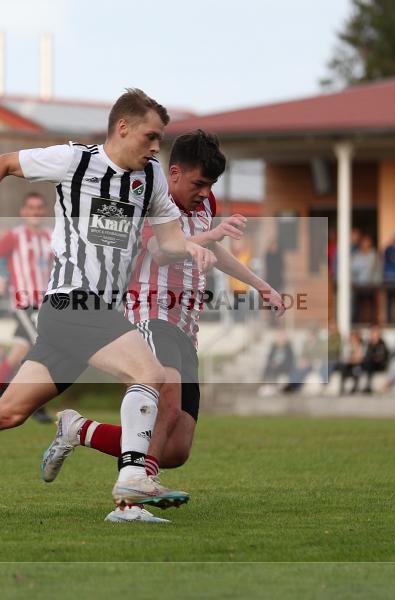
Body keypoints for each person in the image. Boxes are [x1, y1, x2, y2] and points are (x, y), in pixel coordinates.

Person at [0, 88, 216, 511]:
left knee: (8, 412)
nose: (157, 146)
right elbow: (0, 163)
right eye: (151, 136)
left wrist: (192, 246)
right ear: (123, 127)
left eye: (161, 138)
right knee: (149, 371)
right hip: (72, 301)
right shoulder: (75, 160)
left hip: (96, 315)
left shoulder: (153, 178)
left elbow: (170, 241)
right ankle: (134, 478)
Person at [38, 130, 284, 522]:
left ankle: (78, 430)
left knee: (175, 449)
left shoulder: (204, 205)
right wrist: (212, 234)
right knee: (163, 406)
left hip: (186, 328)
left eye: (211, 185)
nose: (205, 192)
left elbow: (212, 249)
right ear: (173, 173)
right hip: (151, 316)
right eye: (199, 183)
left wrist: (261, 285)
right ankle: (128, 505)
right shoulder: (152, 197)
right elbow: (158, 250)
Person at [0, 191, 55, 424]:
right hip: (25, 302)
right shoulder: (15, 236)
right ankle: (35, 404)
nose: (35, 212)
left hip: (45, 303)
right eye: (31, 208)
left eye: (39, 208)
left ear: (44, 211)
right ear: (23, 212)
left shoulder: (49, 237)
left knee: (17, 354)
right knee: (44, 349)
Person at [351, 235, 378, 323]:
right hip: (359, 284)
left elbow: (377, 269)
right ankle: (357, 321)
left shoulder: (374, 255)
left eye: (367, 242)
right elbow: (353, 268)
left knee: (372, 304)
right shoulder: (357, 255)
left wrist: (377, 282)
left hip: (371, 284)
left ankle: (372, 322)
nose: (366, 244)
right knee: (359, 304)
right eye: (364, 242)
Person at [360, 324, 389, 393]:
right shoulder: (369, 344)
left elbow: (381, 357)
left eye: (375, 332)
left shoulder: (382, 343)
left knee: (369, 364)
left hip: (379, 364)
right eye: (372, 332)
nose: (373, 334)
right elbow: (366, 354)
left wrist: (372, 358)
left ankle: (368, 385)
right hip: (370, 363)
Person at [339, 329, 365, 395]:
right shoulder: (347, 346)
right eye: (352, 337)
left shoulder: (361, 345)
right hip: (349, 365)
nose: (353, 339)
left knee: (357, 369)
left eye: (354, 338)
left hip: (358, 365)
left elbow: (360, 358)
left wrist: (354, 357)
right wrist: (353, 358)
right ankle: (342, 387)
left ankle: (355, 387)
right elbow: (345, 357)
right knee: (343, 368)